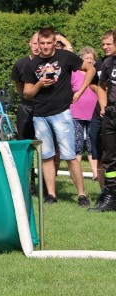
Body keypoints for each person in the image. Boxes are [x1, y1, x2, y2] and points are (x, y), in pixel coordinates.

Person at [22, 27, 95, 206]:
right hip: (40, 115)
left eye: (49, 43)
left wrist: (80, 91)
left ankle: (82, 195)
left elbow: (90, 70)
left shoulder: (66, 57)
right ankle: (51, 195)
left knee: (70, 155)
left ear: (55, 42)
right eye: (42, 43)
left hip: (62, 113)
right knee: (46, 156)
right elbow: (27, 93)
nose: (45, 47)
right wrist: (39, 84)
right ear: (37, 43)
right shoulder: (31, 64)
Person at [88, 30, 116, 208]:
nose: (105, 47)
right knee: (110, 159)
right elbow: (101, 86)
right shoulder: (107, 63)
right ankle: (111, 196)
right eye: (103, 44)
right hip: (111, 116)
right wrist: (104, 107)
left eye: (109, 44)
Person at [71, 47, 99, 180]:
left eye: (91, 59)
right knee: (76, 144)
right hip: (75, 113)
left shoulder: (97, 75)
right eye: (86, 59)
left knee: (92, 143)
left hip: (93, 113)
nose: (89, 61)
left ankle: (95, 173)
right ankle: (76, 174)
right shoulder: (74, 73)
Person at [11, 32, 40, 140]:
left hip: (43, 106)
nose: (36, 47)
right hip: (26, 106)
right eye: (34, 43)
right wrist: (26, 95)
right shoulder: (20, 64)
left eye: (39, 44)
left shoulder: (48, 63)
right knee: (24, 139)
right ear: (30, 43)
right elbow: (18, 85)